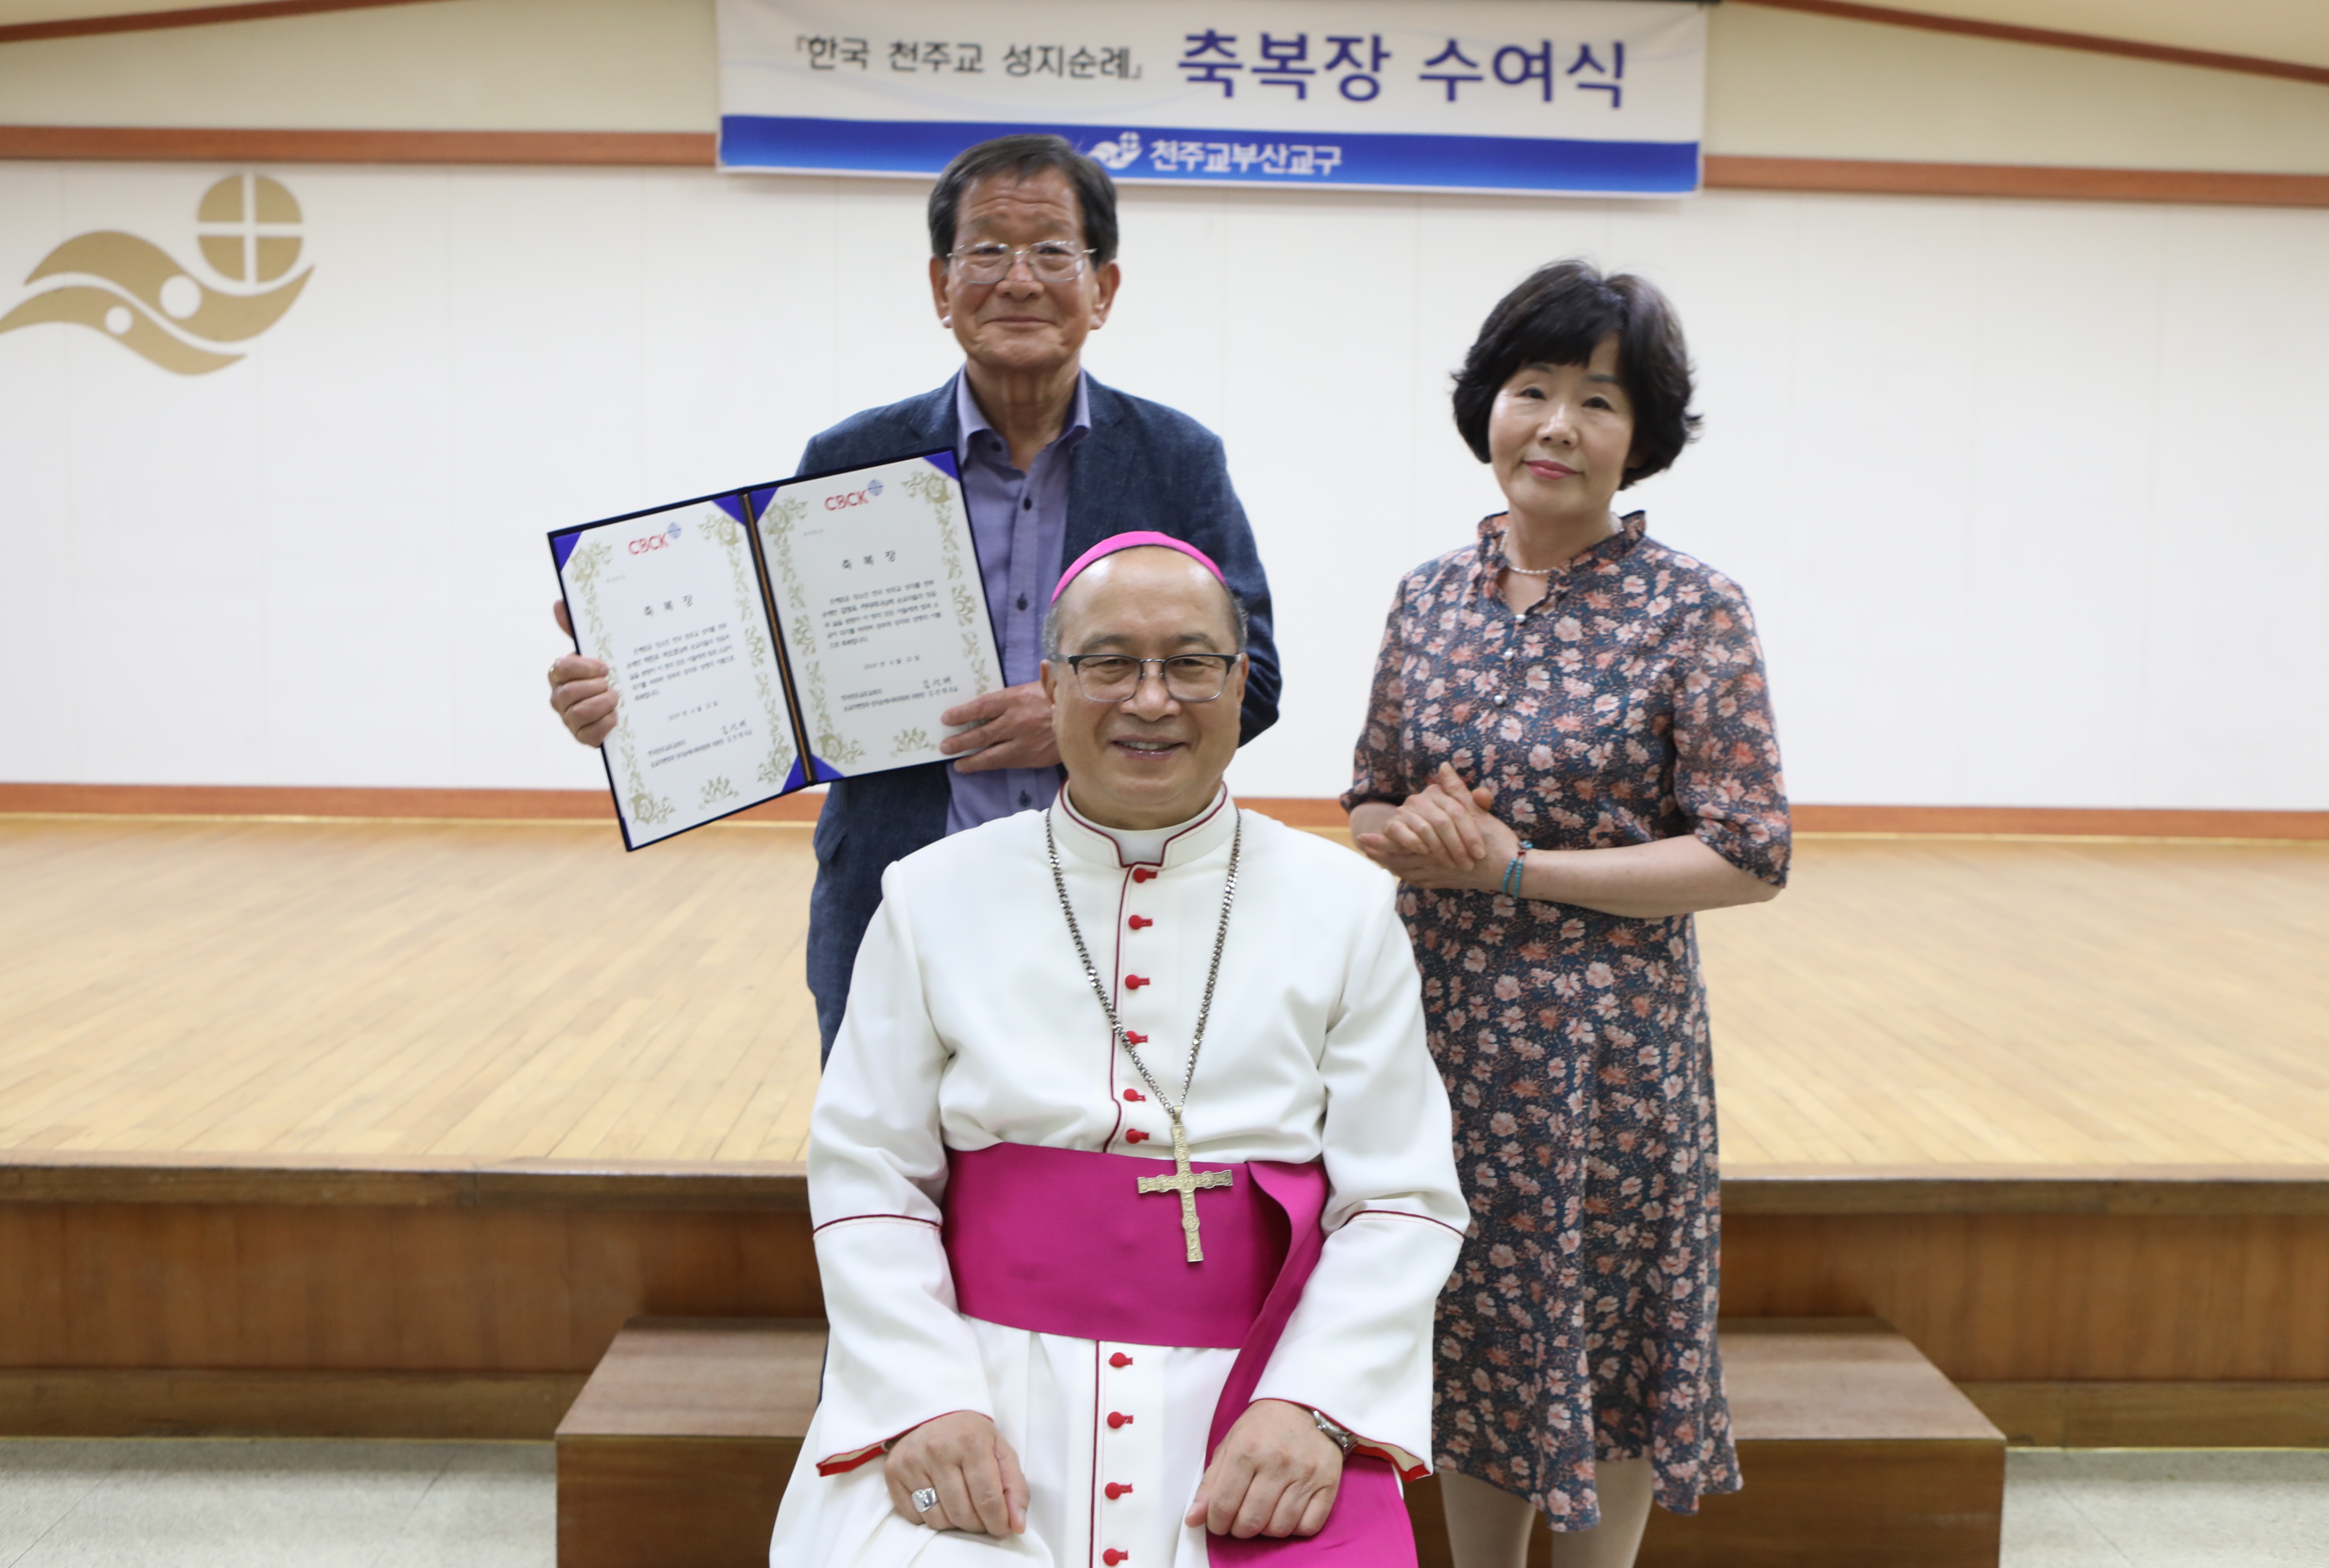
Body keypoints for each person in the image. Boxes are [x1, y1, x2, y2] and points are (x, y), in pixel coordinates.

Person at [770, 534, 1468, 1567]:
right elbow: (869, 1172)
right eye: (1109, 664)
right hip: (983, 1384)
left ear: (1240, 687)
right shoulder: (930, 895)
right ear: (1051, 688)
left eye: (1191, 664)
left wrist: (1312, 1404)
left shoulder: (1349, 906)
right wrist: (925, 1399)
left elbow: (1403, 1197)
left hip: (1254, 1397)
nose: (1151, 700)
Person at [546, 136, 1279, 1058]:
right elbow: (772, 683)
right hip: (899, 892)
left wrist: (1078, 718)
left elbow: (1254, 683)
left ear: (1105, 288)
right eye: (986, 252)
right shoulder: (849, 461)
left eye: (1054, 251)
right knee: (889, 1166)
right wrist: (630, 691)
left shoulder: (1177, 460)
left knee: (1102, 1171)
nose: (1019, 280)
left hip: (1127, 892)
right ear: (941, 287)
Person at [1343, 262, 1790, 1568]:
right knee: (1473, 1323)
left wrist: (1519, 869)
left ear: (1640, 436)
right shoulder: (1429, 596)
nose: (1555, 426)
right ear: (1488, 406)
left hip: (1610, 1057)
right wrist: (1413, 838)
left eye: (1597, 400)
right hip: (1438, 1038)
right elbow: (1368, 800)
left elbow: (1750, 853)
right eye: (1531, 389)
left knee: (1603, 1336)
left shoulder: (1694, 610)